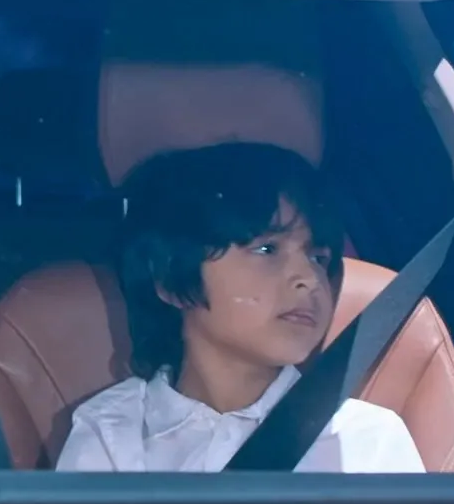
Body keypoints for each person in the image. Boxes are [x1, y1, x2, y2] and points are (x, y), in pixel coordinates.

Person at [54, 143, 425, 473]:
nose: (309, 279)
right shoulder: (114, 435)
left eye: (318, 258)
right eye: (267, 249)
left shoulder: (364, 441)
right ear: (171, 282)